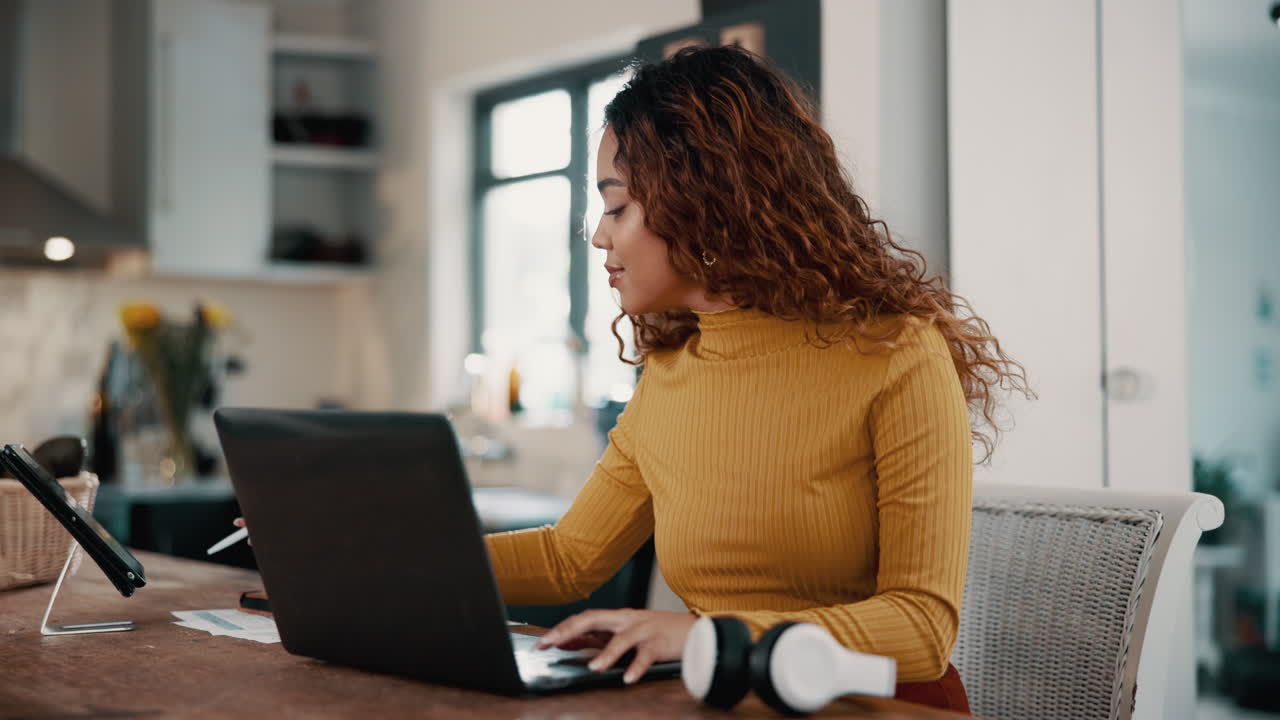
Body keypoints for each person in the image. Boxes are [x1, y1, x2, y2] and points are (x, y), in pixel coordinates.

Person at [482, 45, 1030, 714]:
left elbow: (921, 628)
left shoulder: (897, 355)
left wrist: (712, 636)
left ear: (702, 203)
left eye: (617, 207)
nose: (599, 237)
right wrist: (387, 564)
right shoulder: (670, 372)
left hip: (879, 707)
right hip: (729, 700)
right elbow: (571, 558)